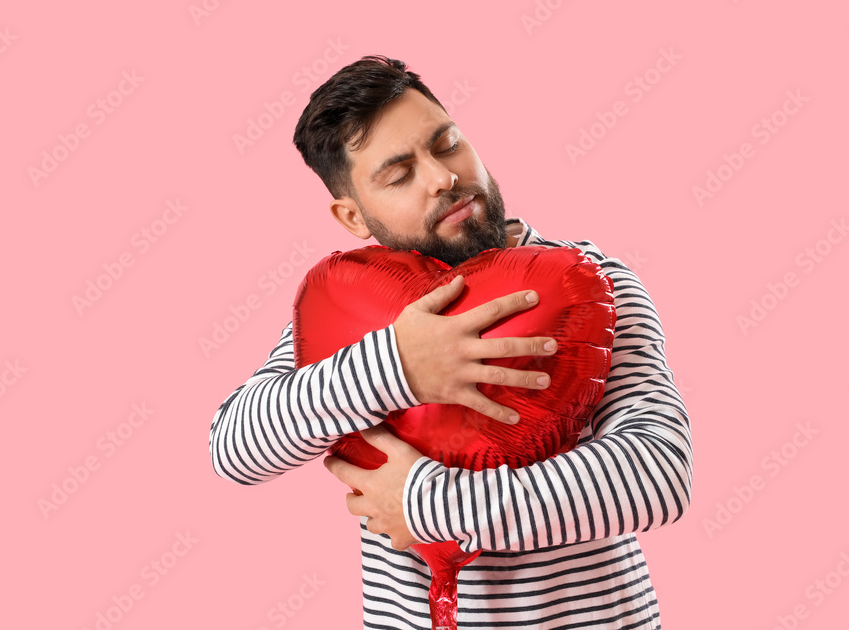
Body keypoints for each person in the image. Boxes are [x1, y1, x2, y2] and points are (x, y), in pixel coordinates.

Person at [209, 55, 693, 629]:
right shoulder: (346, 313)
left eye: (446, 143)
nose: (442, 177)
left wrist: (424, 504)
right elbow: (234, 450)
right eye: (398, 174)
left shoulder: (592, 284)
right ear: (352, 216)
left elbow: (658, 474)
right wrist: (400, 365)